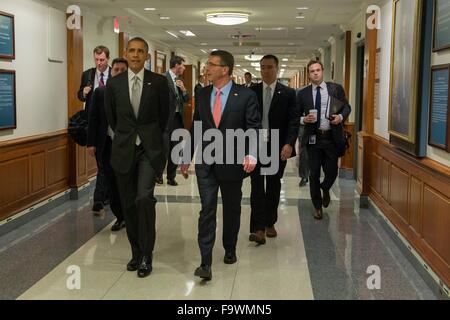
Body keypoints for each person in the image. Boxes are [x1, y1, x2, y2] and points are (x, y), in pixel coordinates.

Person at [180, 50, 261, 281]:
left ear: (224, 70)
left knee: (232, 208)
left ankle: (230, 248)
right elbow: (197, 126)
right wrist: (186, 156)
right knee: (207, 209)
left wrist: (252, 154)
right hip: (206, 162)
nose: (207, 68)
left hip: (232, 162)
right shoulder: (204, 94)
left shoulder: (245, 96)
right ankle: (205, 261)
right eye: (207, 64)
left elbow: (253, 127)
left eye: (211, 65)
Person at [105, 37, 169, 278]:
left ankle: (146, 256)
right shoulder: (114, 84)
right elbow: (113, 119)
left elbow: (164, 118)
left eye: (140, 51)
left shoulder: (159, 82)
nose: (135, 55)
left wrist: (150, 138)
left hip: (148, 151)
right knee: (129, 204)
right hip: (124, 151)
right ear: (125, 52)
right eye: (131, 51)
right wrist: (127, 136)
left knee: (144, 199)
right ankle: (135, 252)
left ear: (147, 56)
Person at [248, 54, 299, 244]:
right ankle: (258, 228)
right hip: (256, 146)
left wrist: (289, 143)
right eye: (262, 67)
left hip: (277, 146)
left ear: (276, 68)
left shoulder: (288, 93)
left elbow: (293, 121)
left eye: (269, 67)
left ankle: (270, 222)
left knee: (273, 185)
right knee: (256, 187)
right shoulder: (251, 91)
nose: (265, 71)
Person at [297, 60, 351, 220]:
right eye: (312, 71)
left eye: (318, 70)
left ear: (323, 71)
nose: (315, 73)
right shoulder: (303, 94)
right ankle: (317, 206)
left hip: (331, 138)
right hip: (313, 139)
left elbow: (347, 107)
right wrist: (303, 119)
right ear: (308, 74)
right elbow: (295, 115)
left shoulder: (335, 89)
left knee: (332, 171)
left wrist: (340, 117)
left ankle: (325, 187)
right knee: (314, 173)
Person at [87, 57, 128, 231]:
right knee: (111, 182)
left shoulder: (133, 94)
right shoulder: (100, 93)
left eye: (122, 70)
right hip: (107, 145)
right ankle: (120, 216)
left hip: (127, 145)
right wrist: (91, 143)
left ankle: (130, 213)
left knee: (126, 182)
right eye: (116, 70)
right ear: (111, 72)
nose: (118, 72)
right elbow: (93, 120)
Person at [77, 45, 111, 213]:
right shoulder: (88, 75)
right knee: (102, 163)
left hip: (111, 127)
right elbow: (80, 96)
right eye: (96, 60)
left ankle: (102, 197)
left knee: (106, 164)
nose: (99, 63)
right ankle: (102, 197)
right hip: (94, 126)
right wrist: (84, 92)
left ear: (108, 59)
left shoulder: (115, 74)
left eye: (102, 60)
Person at [156, 56, 190, 186]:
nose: (184, 68)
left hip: (177, 119)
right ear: (176, 65)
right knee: (163, 150)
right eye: (183, 65)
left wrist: (184, 89)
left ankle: (171, 177)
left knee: (175, 149)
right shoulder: (162, 78)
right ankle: (158, 175)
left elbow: (186, 100)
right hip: (165, 120)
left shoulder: (180, 80)